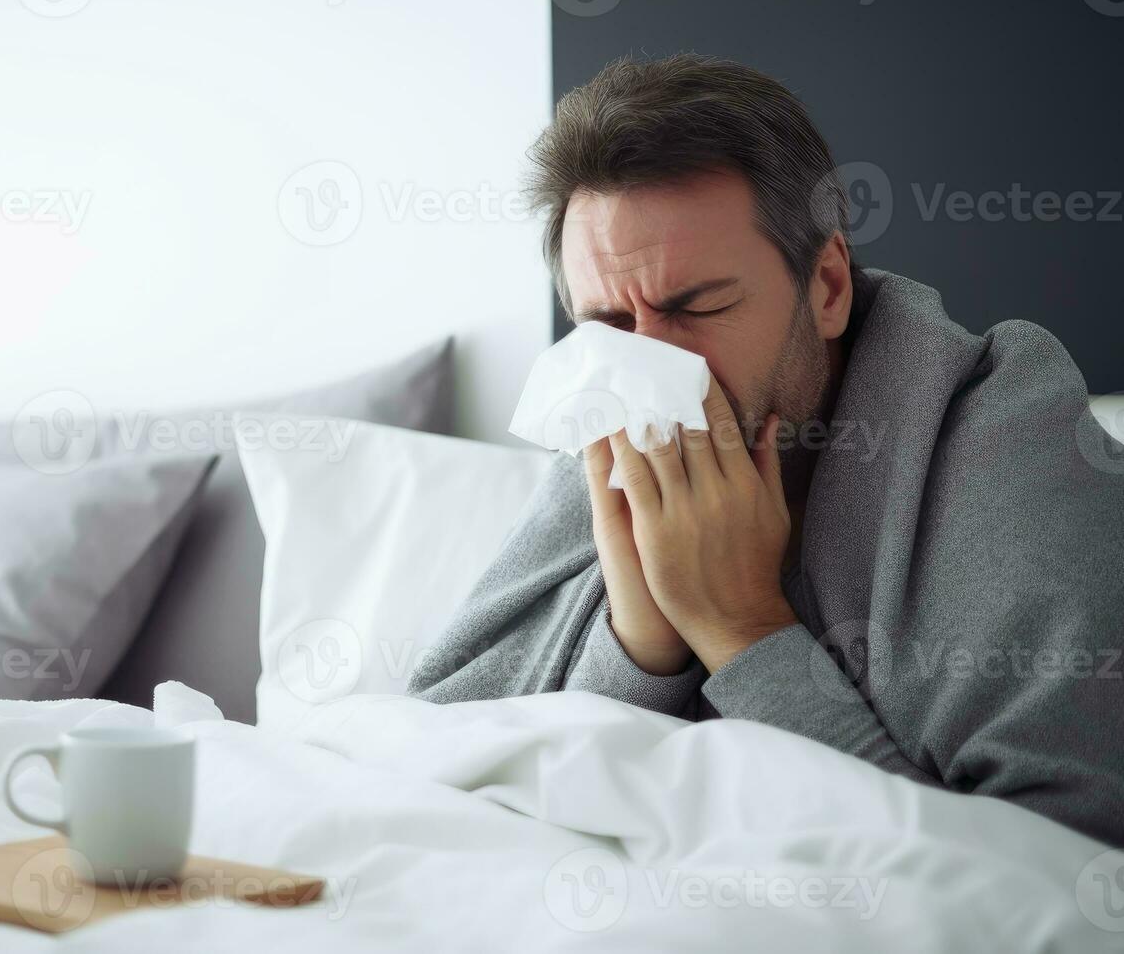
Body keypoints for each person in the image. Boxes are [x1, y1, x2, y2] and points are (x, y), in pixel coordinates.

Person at [407, 53, 1124, 848]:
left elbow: (1058, 871)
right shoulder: (613, 416)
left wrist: (741, 629)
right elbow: (436, 752)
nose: (655, 365)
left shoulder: (1006, 443)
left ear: (827, 287)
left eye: (698, 306)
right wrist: (641, 644)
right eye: (609, 326)